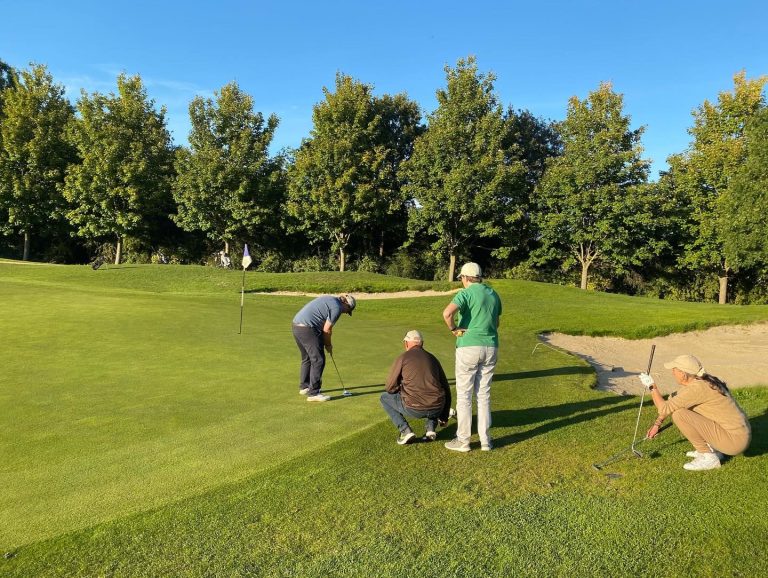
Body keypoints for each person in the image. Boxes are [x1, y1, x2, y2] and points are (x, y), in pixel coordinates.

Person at [640, 354, 751, 471]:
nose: (672, 372)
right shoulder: (701, 382)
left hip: (734, 442)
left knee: (679, 415)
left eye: (674, 370)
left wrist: (652, 387)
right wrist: (657, 424)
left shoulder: (697, 388)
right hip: (736, 436)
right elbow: (671, 402)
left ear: (683, 374)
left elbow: (664, 408)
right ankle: (713, 449)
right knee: (679, 409)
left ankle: (708, 457)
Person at [441, 262, 502, 452]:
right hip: (491, 346)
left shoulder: (465, 294)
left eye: (461, 279)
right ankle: (486, 441)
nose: (462, 282)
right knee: (483, 395)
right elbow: (496, 322)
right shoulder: (493, 294)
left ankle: (463, 440)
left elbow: (447, 313)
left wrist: (454, 329)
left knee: (464, 395)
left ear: (466, 278)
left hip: (468, 346)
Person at [380, 330, 452, 445]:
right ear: (421, 343)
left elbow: (389, 387)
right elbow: (446, 389)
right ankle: (430, 429)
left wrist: (399, 388)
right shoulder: (432, 358)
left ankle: (405, 431)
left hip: (414, 408)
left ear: (406, 343)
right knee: (434, 395)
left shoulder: (403, 357)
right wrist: (444, 416)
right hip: (437, 408)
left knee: (384, 398)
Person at [292, 294, 356, 402]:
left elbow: (322, 325)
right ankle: (314, 393)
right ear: (346, 304)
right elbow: (327, 330)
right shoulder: (337, 308)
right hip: (308, 328)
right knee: (318, 360)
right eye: (347, 310)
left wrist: (323, 343)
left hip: (296, 326)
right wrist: (328, 345)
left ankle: (304, 387)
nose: (345, 313)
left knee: (307, 357)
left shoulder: (330, 298)